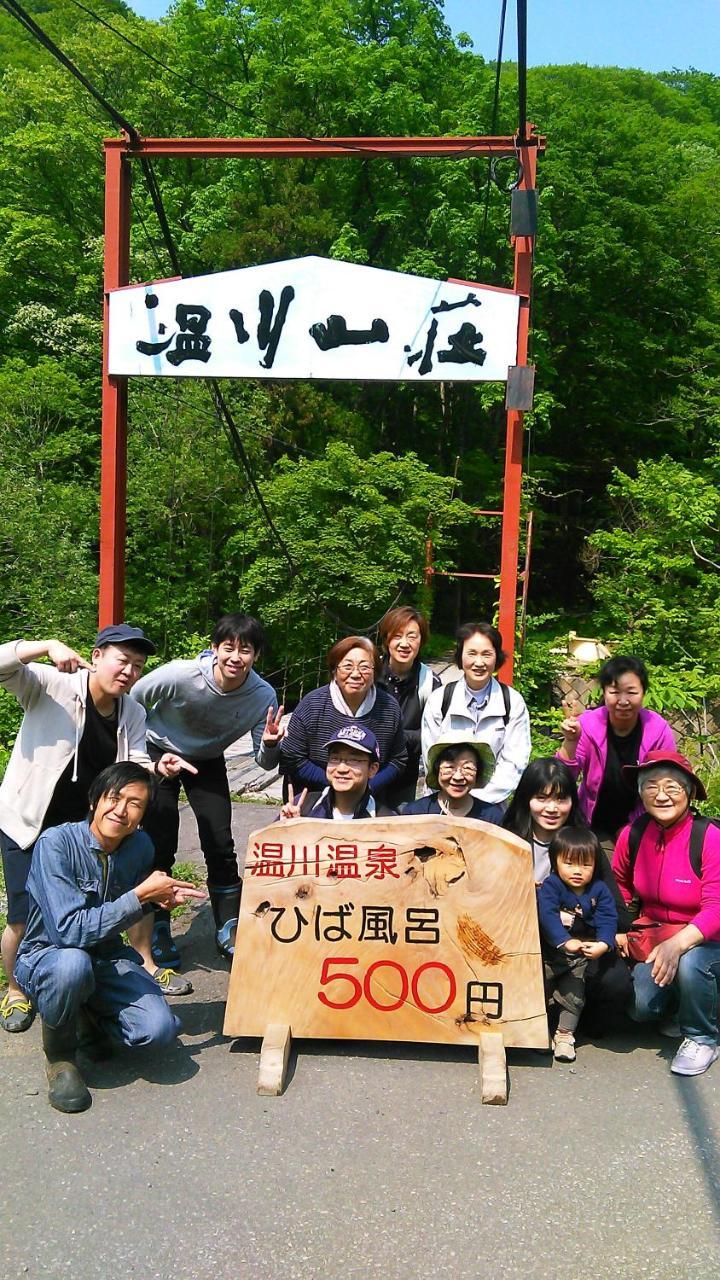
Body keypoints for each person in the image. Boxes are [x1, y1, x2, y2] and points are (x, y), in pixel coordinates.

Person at [0, 626, 193, 1033]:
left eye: (137, 666)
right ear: (98, 655)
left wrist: (158, 768)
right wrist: (46, 645)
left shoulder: (132, 712)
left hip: (93, 826)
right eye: (122, 660)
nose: (129, 671)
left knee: (130, 894)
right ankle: (16, 989)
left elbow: (135, 762)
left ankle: (144, 965)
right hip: (32, 820)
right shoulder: (52, 684)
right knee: (23, 914)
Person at [13, 762, 206, 1113]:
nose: (121, 810)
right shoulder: (56, 844)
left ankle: (86, 1011)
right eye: (114, 798)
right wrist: (139, 898)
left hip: (107, 958)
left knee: (159, 1030)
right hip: (48, 956)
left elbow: (130, 909)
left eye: (135, 804)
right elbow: (69, 931)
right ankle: (60, 1055)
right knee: (73, 965)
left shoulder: (140, 846)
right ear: (94, 801)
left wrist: (156, 903)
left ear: (143, 815)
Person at [131, 612, 282, 968]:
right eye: (228, 647)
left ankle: (228, 923)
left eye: (245, 650)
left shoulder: (262, 695)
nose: (235, 657)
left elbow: (265, 762)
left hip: (208, 758)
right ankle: (159, 926)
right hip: (160, 750)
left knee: (219, 838)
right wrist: (135, 752)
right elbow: (132, 700)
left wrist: (273, 744)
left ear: (256, 656)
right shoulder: (180, 674)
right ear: (214, 648)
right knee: (160, 837)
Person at [612, 750, 720, 1077]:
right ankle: (688, 1005)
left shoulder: (709, 836)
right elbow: (618, 883)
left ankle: (702, 1036)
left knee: (690, 963)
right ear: (641, 793)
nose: (661, 795)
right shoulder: (632, 834)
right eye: (651, 787)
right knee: (641, 1006)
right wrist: (619, 927)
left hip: (706, 939)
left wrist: (678, 944)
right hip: (656, 934)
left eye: (672, 787)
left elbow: (716, 905)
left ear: (689, 792)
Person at [556, 655, 676, 842]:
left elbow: (667, 783)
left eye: (631, 692)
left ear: (644, 692)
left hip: (644, 824)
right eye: (614, 692)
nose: (623, 700)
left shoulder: (658, 730)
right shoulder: (588, 725)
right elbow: (563, 778)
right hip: (591, 823)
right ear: (604, 692)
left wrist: (633, 826)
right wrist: (570, 741)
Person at [280, 635, 407, 800]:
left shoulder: (389, 708)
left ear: (375, 672)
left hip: (367, 800)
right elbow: (291, 757)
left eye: (364, 667)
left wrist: (367, 786)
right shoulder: (312, 704)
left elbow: (398, 759)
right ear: (334, 671)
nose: (355, 674)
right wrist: (336, 782)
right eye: (347, 666)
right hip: (311, 800)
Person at [420, 622, 531, 807]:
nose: (479, 662)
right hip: (444, 803)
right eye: (472, 653)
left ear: (497, 657)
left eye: (486, 654)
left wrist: (478, 802)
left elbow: (514, 762)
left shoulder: (512, 702)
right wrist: (456, 796)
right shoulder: (440, 700)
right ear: (460, 655)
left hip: (491, 807)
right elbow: (432, 757)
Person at [537, 826, 618, 1063]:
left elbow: (608, 917)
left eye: (586, 865)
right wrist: (564, 941)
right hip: (549, 954)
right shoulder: (552, 885)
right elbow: (547, 915)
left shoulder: (599, 889)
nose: (577, 871)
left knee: (574, 996)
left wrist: (604, 943)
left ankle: (564, 1035)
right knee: (539, 991)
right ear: (555, 863)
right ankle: (537, 1031)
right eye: (570, 863)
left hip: (580, 958)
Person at [376, 606, 440, 807]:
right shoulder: (369, 673)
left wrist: (397, 737)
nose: (404, 644)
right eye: (397, 636)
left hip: (404, 776)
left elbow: (436, 733)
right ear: (387, 640)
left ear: (421, 640)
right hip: (364, 772)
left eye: (412, 637)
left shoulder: (430, 682)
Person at [279, 725, 396, 820]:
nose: (341, 768)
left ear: (372, 769)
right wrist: (287, 829)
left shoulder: (386, 821)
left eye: (353, 760)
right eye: (335, 759)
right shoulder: (304, 806)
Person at [402, 733, 505, 824]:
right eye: (449, 767)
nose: (458, 777)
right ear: (437, 770)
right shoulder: (415, 813)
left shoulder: (492, 818)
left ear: (478, 773)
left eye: (467, 768)